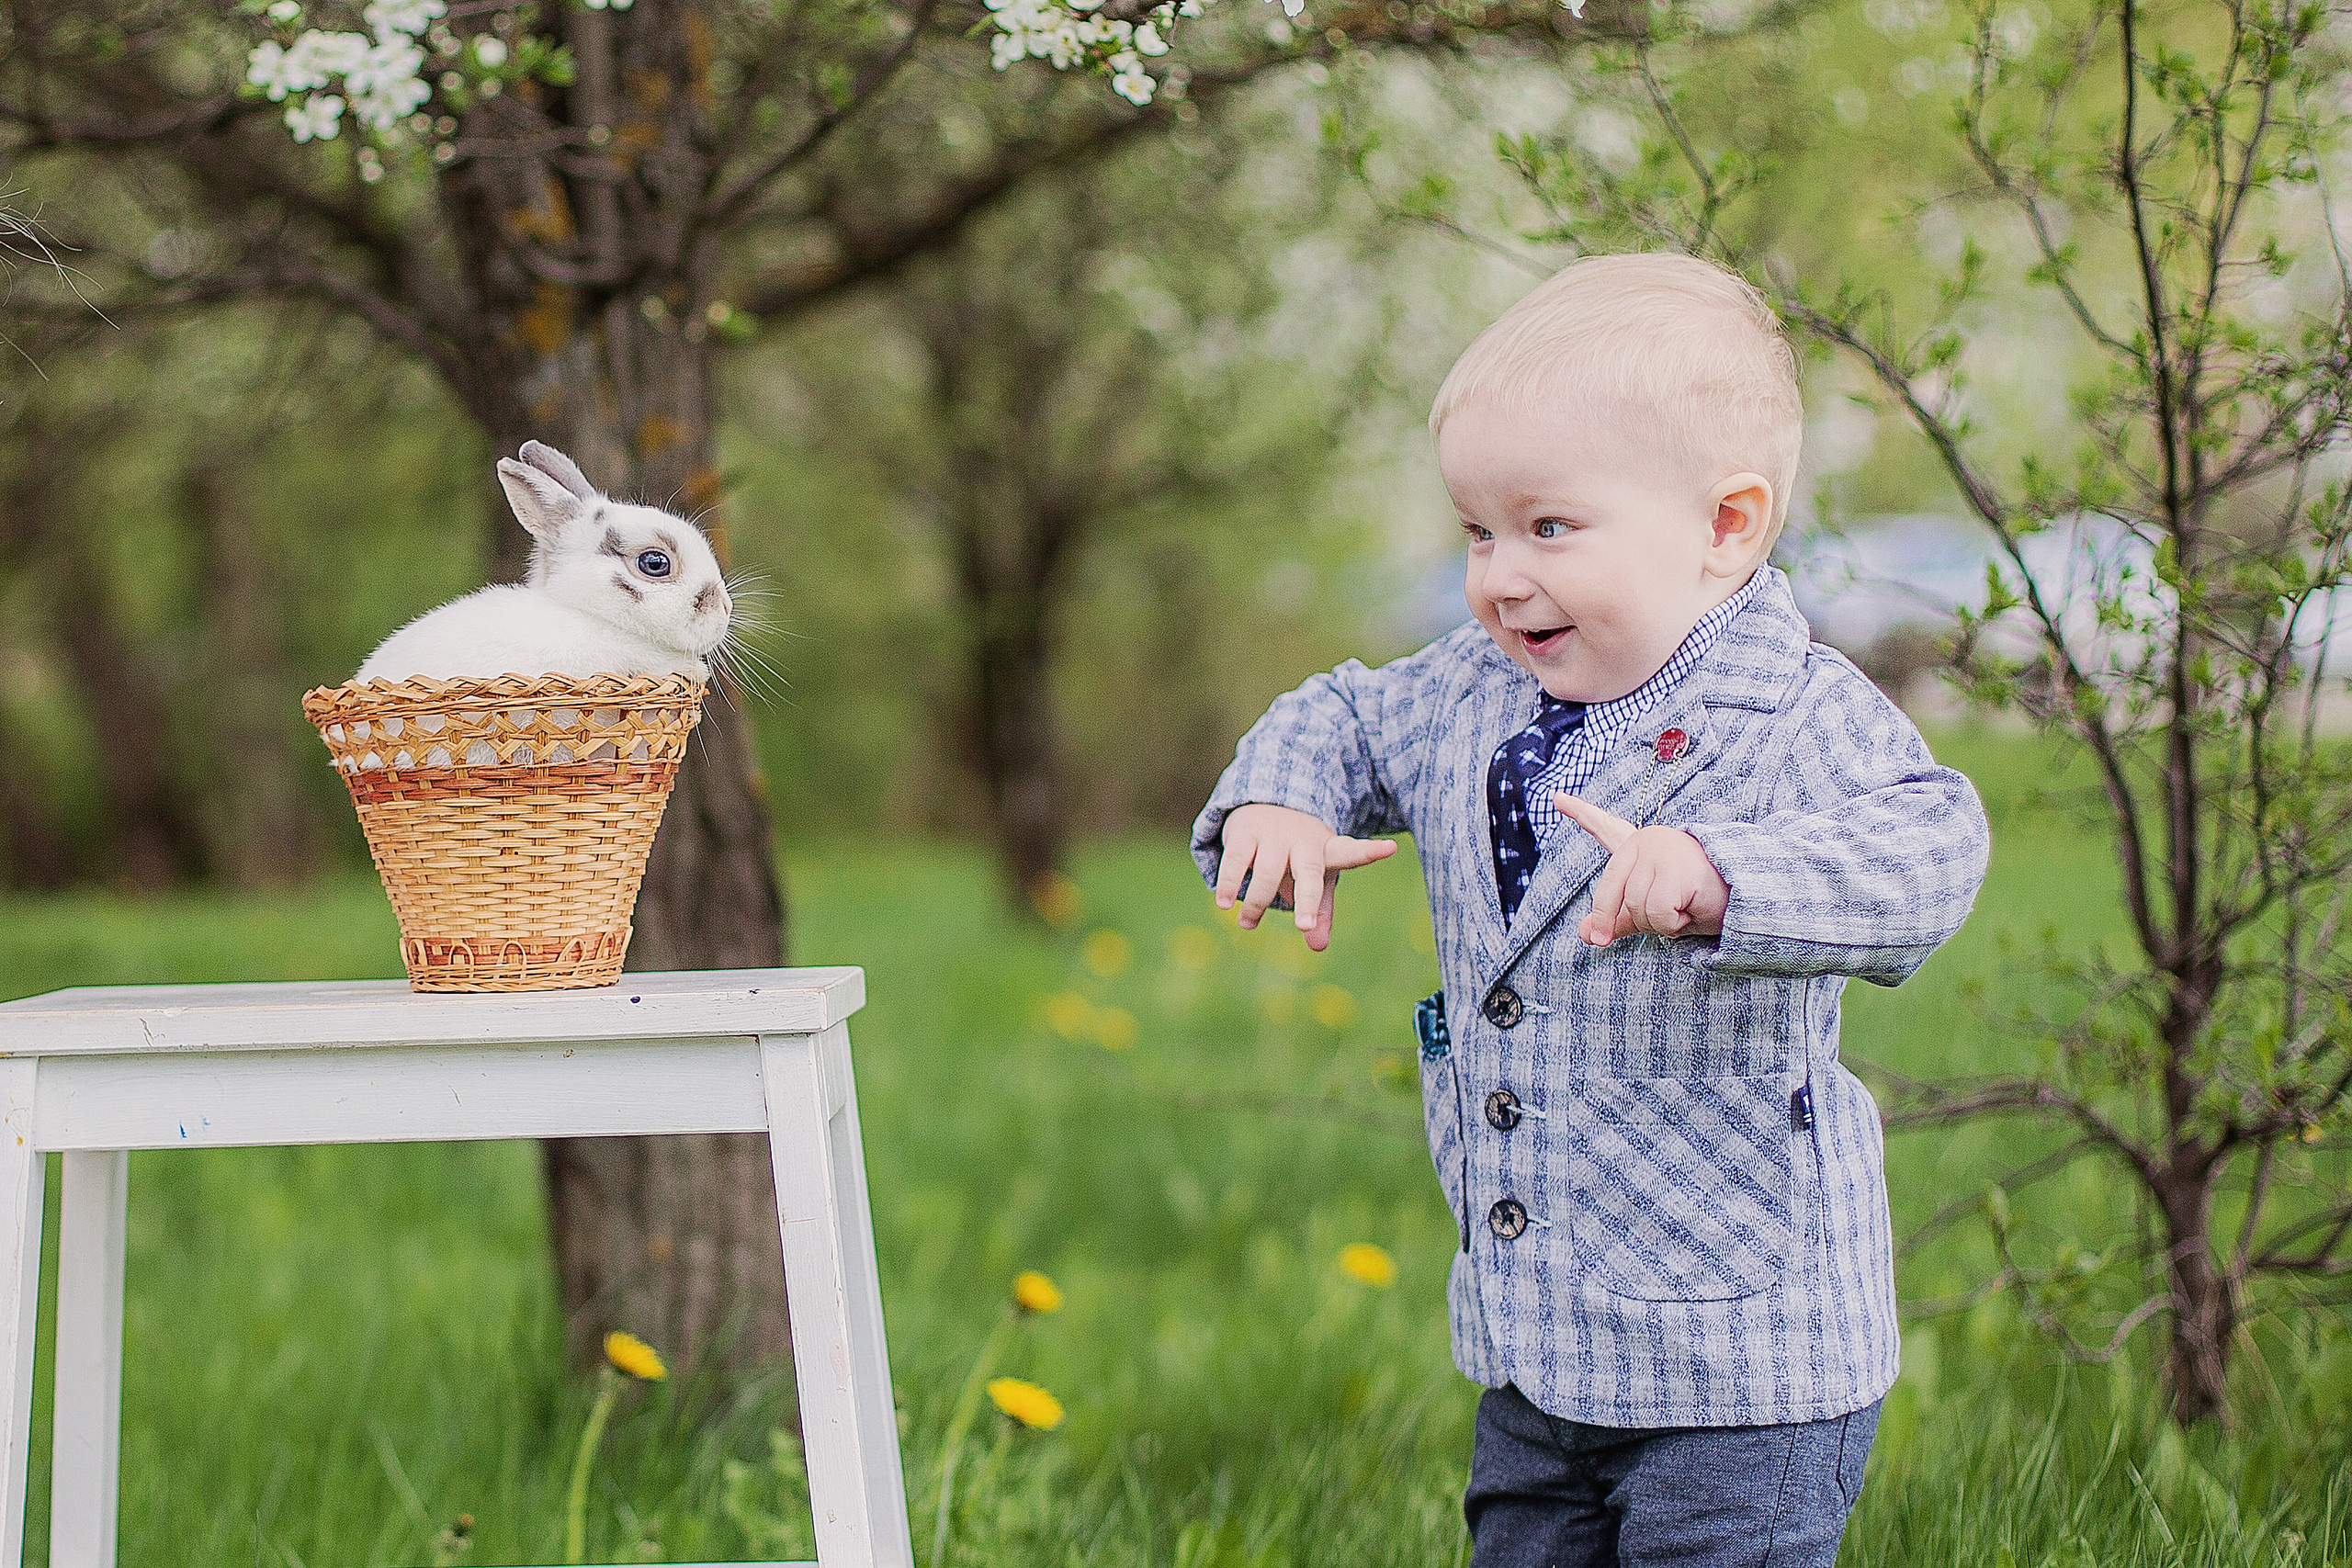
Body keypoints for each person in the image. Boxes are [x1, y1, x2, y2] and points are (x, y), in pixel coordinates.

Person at [1189, 252, 1991, 1567]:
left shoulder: (1790, 712)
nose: (1501, 577)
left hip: (1743, 1359)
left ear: (1725, 526)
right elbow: (1339, 712)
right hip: (1538, 1339)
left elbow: (1932, 848)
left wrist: (1726, 879)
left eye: (1549, 528)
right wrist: (1278, 801)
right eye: (1477, 532)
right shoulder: (1471, 689)